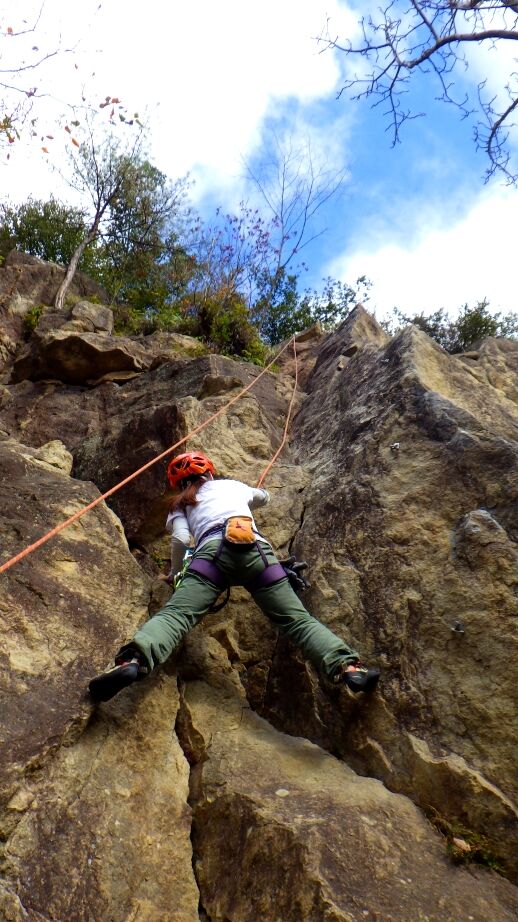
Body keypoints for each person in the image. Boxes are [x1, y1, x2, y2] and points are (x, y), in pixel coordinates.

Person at [89, 451, 380, 702]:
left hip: (211, 558)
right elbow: (264, 498)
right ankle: (349, 669)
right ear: (209, 472)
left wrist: (175, 575)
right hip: (258, 554)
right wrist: (254, 494)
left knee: (177, 615)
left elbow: (180, 539)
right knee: (297, 621)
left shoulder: (179, 504)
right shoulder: (231, 486)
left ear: (178, 484)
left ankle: (133, 661)